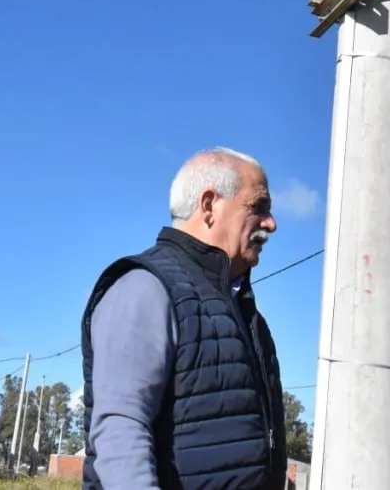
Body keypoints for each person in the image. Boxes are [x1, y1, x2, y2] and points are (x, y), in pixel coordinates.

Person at [80, 147, 287, 490]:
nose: (271, 224)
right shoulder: (146, 287)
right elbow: (120, 430)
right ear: (209, 205)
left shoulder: (245, 314)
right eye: (258, 207)